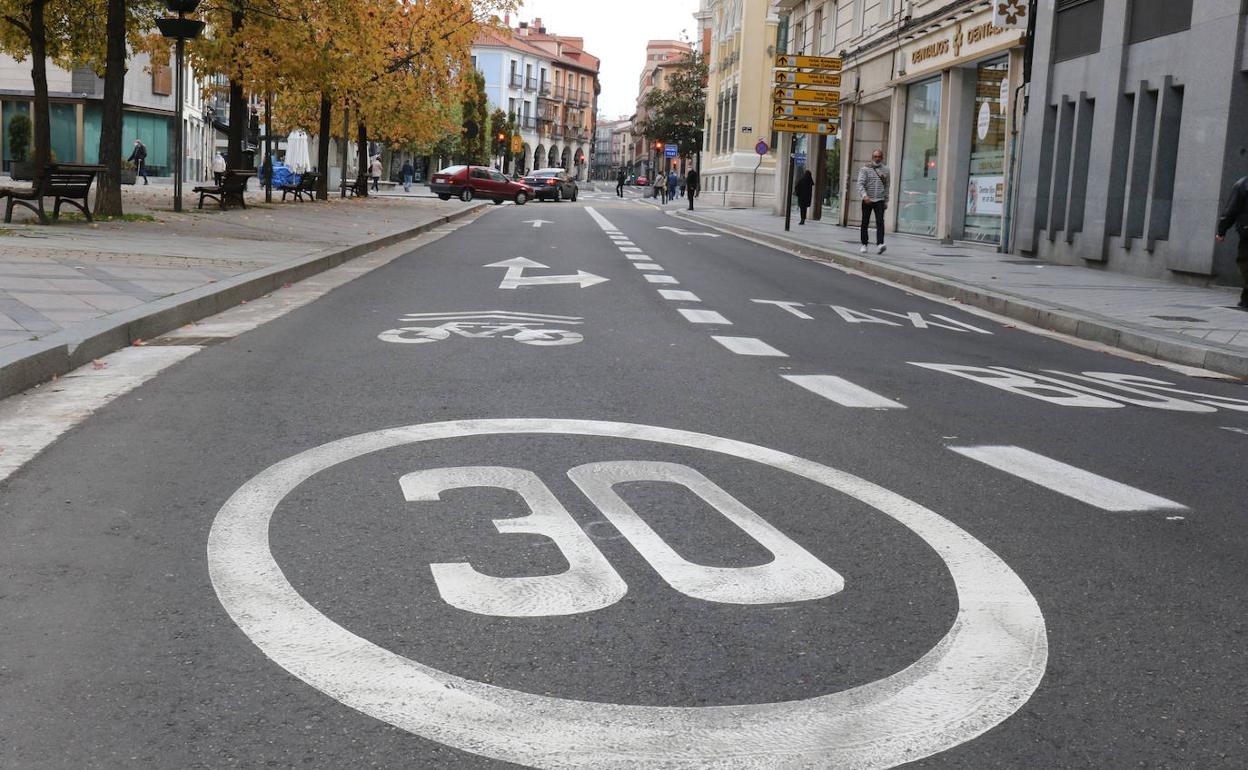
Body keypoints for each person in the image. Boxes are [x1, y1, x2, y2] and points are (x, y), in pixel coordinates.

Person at [1217, 174, 1248, 308]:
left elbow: (1231, 210)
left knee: (1245, 262)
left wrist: (1222, 230)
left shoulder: (1243, 184)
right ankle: (1245, 300)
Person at [857, 148, 890, 254]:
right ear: (872, 157)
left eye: (879, 156)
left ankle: (880, 244)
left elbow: (887, 186)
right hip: (868, 199)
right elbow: (860, 184)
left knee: (880, 222)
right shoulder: (865, 169)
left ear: (882, 158)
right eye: (875, 156)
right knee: (865, 222)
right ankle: (864, 244)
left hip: (879, 199)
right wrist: (864, 196)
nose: (877, 158)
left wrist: (886, 200)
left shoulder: (886, 170)